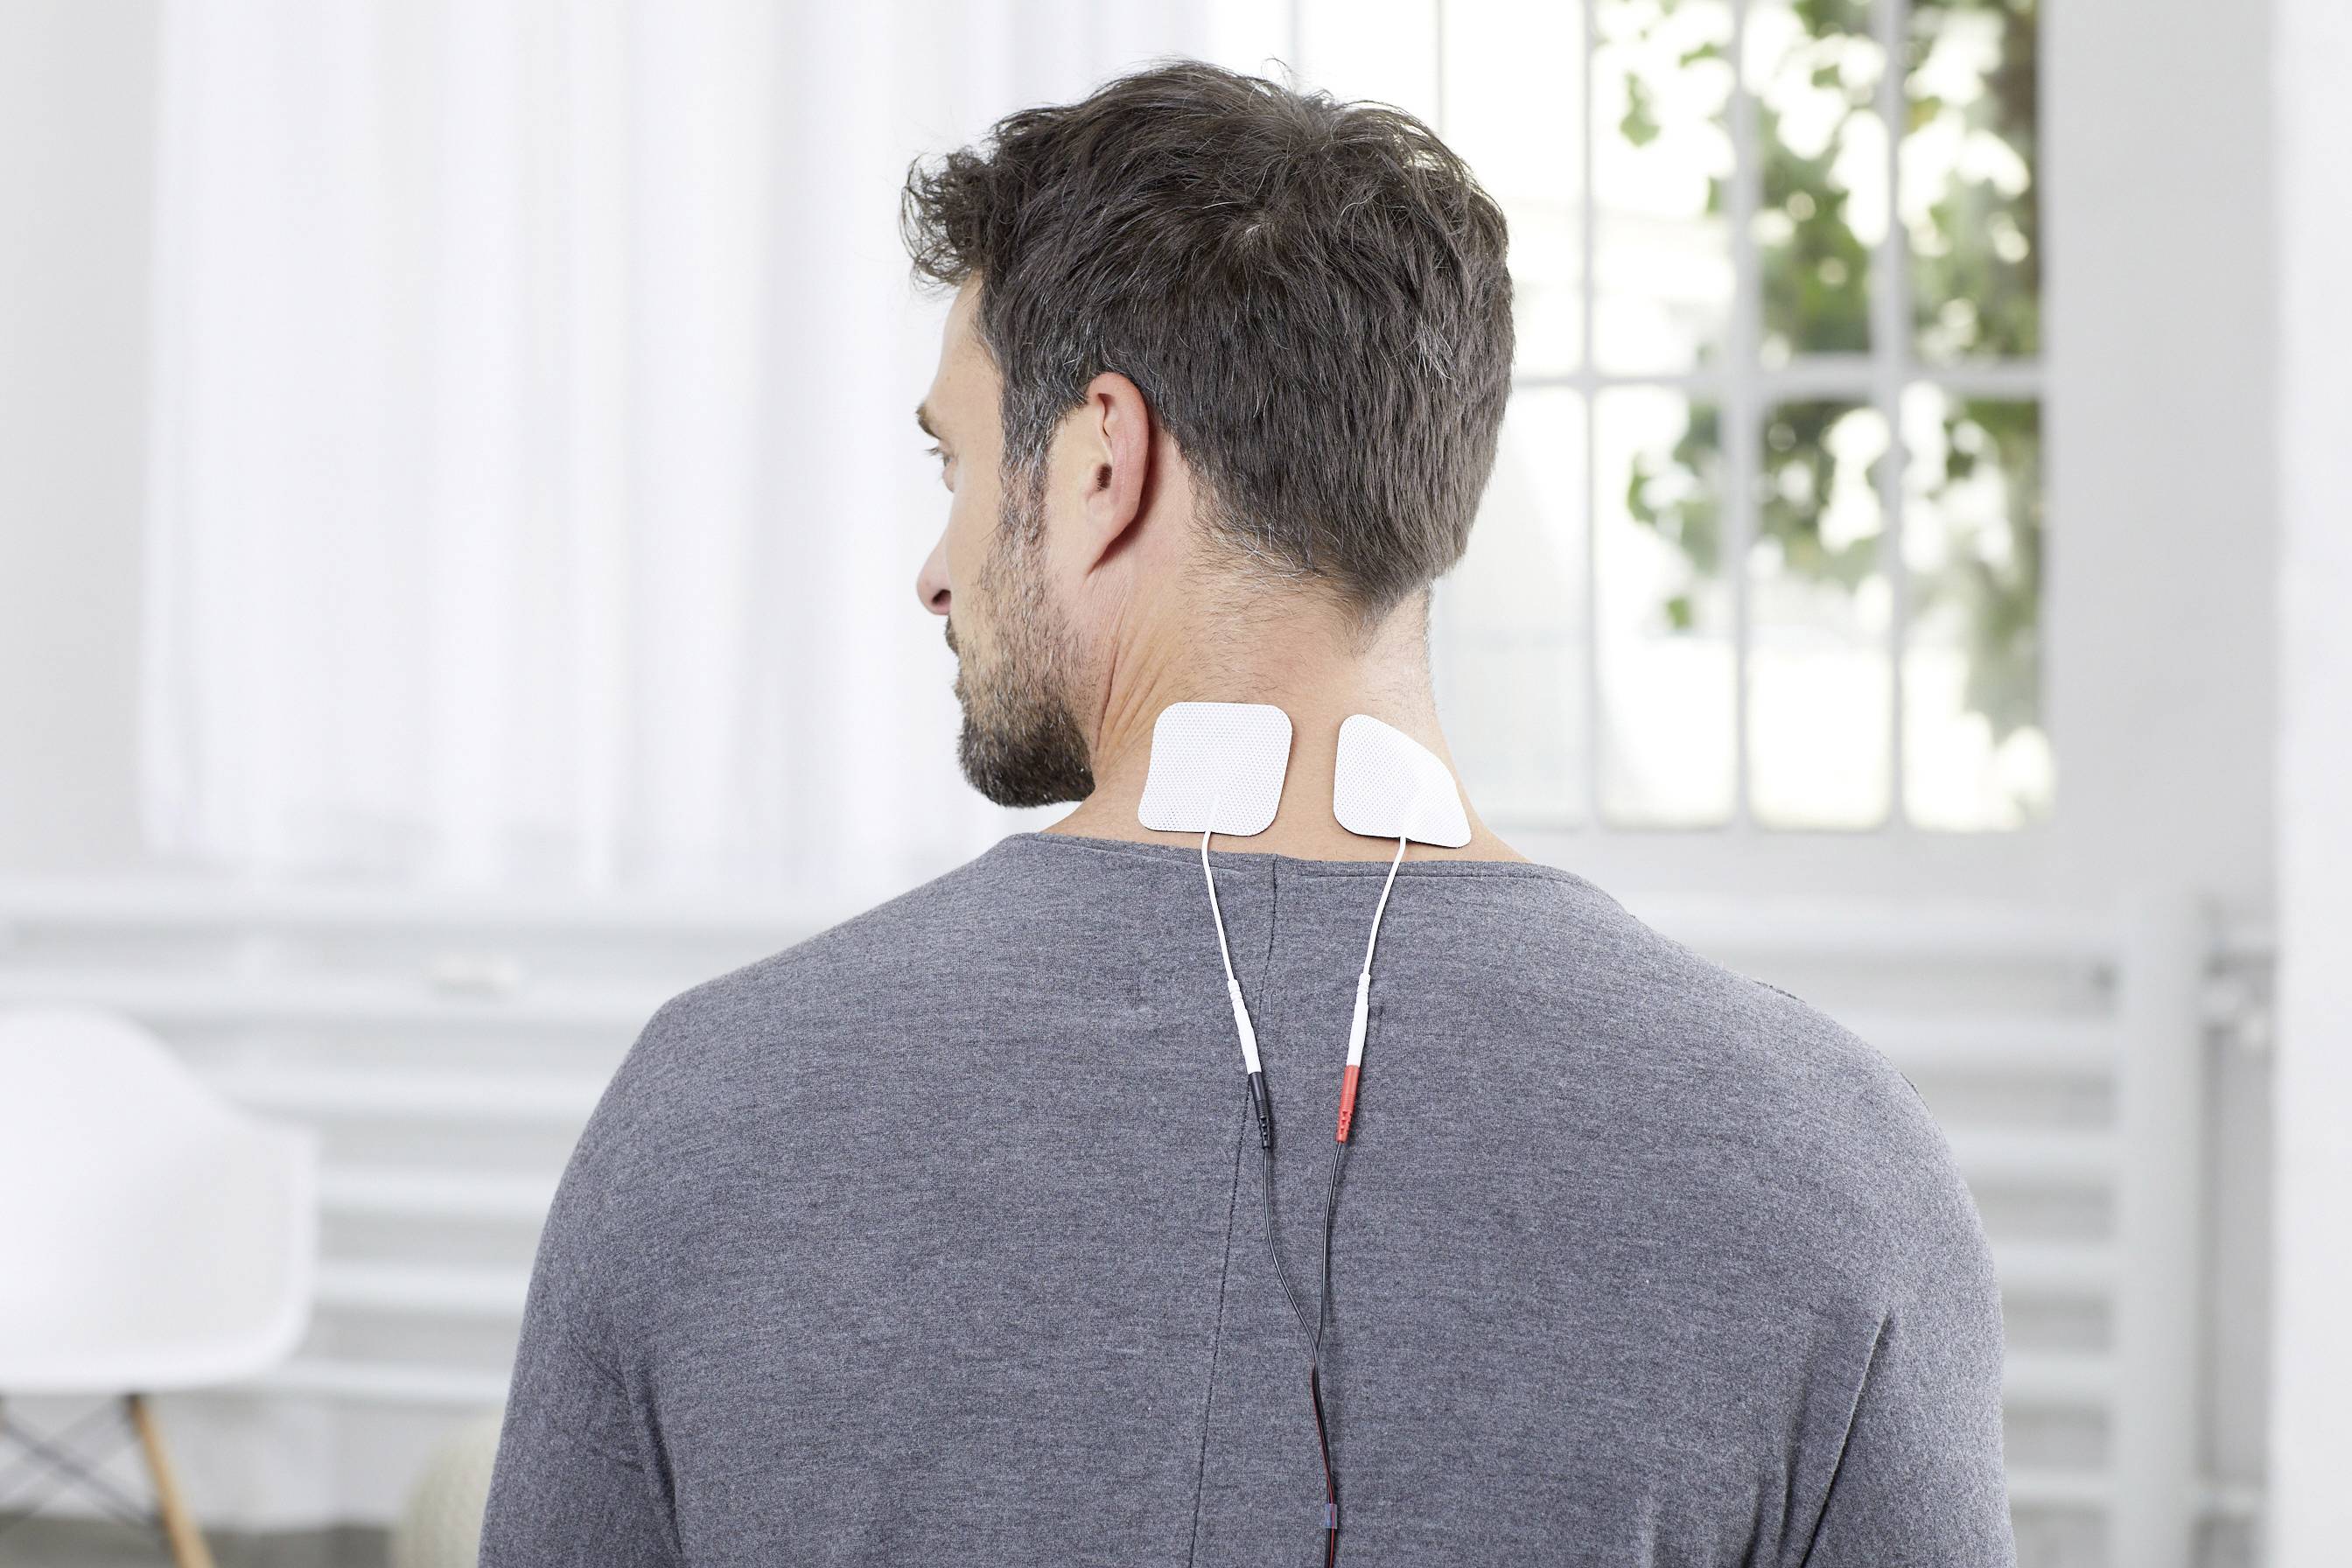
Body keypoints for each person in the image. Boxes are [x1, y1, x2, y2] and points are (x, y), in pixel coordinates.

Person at [479, 59, 2014, 1567]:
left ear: (1100, 462)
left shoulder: (710, 1108)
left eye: (953, 462)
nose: (936, 571)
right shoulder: (1833, 1161)